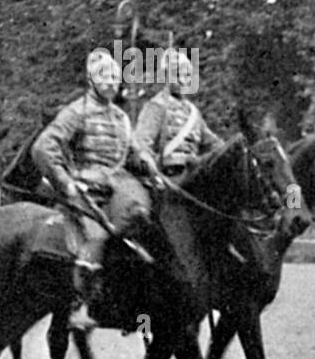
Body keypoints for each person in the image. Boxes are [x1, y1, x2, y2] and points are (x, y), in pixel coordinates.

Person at [32, 48, 163, 330]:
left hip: (118, 187)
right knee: (98, 235)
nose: (111, 82)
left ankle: (138, 306)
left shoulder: (121, 118)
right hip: (86, 189)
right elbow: (44, 147)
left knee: (147, 227)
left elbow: (134, 152)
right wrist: (64, 182)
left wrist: (149, 166)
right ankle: (81, 304)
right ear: (92, 79)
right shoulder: (76, 111)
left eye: (115, 77)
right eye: (104, 75)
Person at [132, 48, 220, 176]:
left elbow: (213, 143)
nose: (183, 80)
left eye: (187, 75)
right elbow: (142, 143)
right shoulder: (156, 106)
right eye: (177, 75)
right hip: (168, 173)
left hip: (193, 171)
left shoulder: (193, 112)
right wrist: (151, 166)